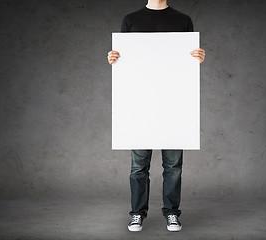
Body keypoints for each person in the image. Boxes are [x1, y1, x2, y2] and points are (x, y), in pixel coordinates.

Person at [107, 0, 205, 232]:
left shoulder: (183, 20)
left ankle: (172, 213)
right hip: (140, 103)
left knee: (173, 166)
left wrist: (197, 58)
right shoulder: (131, 20)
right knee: (138, 166)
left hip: (175, 103)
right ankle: (136, 214)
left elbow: (185, 63)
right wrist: (115, 59)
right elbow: (126, 62)